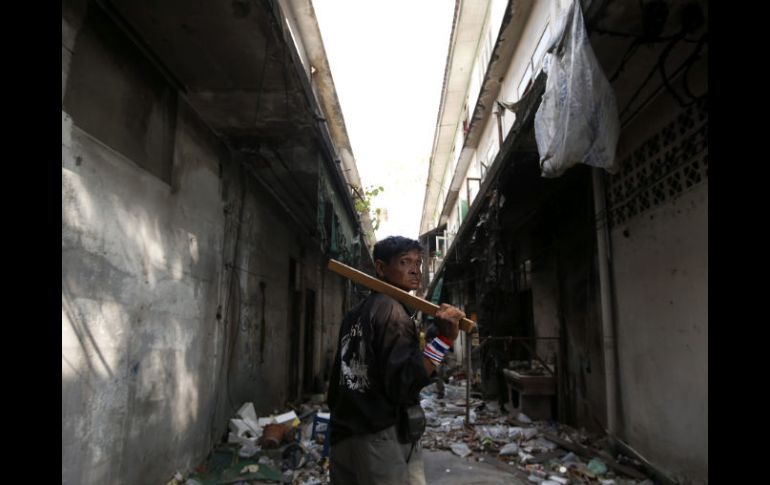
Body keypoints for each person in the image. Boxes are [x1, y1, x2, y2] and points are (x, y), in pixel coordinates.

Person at [327, 236, 466, 485]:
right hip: (378, 437)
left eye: (418, 263)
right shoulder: (393, 312)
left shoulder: (354, 314)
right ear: (381, 268)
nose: (415, 270)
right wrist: (444, 340)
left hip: (344, 433)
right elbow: (406, 382)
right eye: (404, 262)